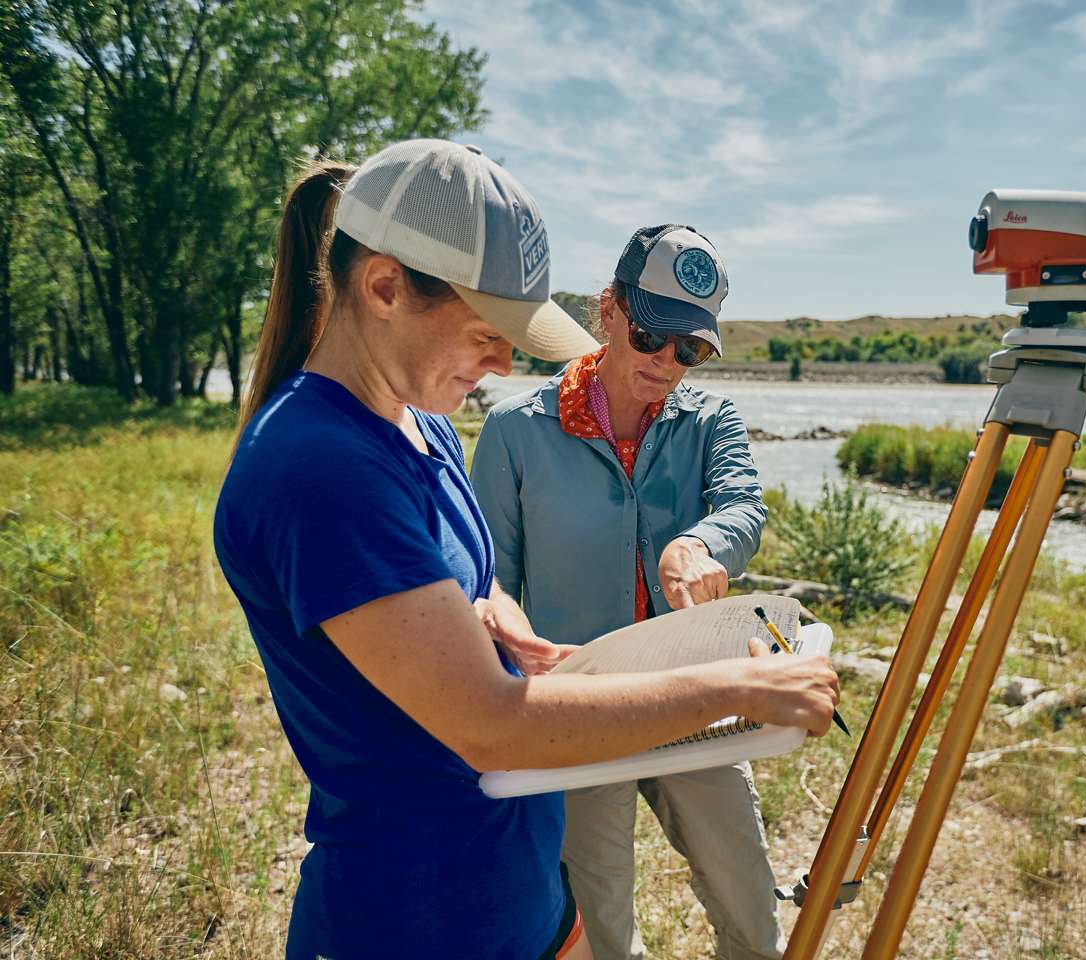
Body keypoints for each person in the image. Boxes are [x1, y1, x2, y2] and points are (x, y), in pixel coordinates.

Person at [216, 138, 835, 959]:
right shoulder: (320, 470)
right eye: (486, 332)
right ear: (384, 288)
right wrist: (743, 687)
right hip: (417, 920)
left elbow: (472, 574)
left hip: (520, 890)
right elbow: (492, 725)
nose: (506, 362)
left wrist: (502, 623)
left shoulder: (421, 420)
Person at [469, 225, 781, 960]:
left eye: (691, 350)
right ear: (606, 310)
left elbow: (744, 505)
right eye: (651, 337)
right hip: (578, 712)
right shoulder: (515, 429)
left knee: (752, 907)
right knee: (601, 926)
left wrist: (699, 544)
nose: (668, 364)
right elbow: (489, 579)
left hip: (696, 699)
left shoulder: (712, 421)